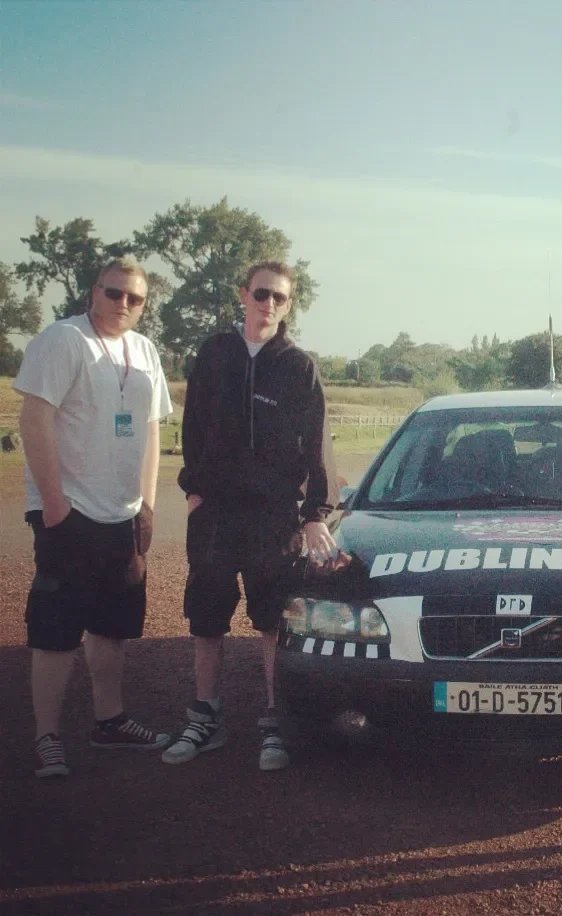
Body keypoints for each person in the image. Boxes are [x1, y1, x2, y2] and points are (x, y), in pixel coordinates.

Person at [162, 260, 338, 771]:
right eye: (261, 294)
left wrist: (314, 514)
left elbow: (317, 444)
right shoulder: (215, 354)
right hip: (215, 512)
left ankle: (273, 721)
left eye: (279, 298)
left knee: (271, 622)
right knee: (207, 616)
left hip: (274, 517)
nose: (269, 305)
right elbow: (192, 426)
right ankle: (205, 717)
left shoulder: (298, 366)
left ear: (288, 305)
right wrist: (194, 491)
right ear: (243, 294)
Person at [15, 257, 172, 778]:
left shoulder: (145, 350)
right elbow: (33, 417)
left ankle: (110, 722)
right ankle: (46, 737)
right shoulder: (64, 341)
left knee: (111, 629)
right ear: (93, 292)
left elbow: (150, 431)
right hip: (71, 513)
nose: (123, 304)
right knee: (55, 632)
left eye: (135, 298)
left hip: (123, 516)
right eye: (114, 293)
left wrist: (146, 504)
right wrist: (55, 503)